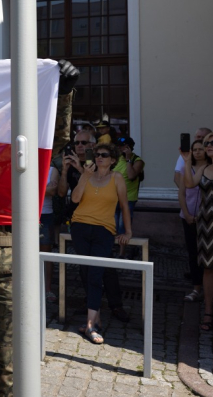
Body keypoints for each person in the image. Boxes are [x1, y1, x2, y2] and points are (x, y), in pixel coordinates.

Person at [0, 59, 78, 397]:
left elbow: (55, 137)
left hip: (9, 268)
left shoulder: (22, 154)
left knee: (6, 361)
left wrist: (63, 93)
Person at [57, 129, 130, 323]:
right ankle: (92, 306)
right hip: (79, 221)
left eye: (83, 143)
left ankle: (115, 305)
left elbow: (120, 202)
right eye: (76, 143)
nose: (79, 146)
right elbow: (65, 194)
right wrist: (67, 170)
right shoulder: (74, 165)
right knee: (86, 268)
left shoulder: (104, 172)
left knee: (106, 267)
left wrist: (127, 231)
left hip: (102, 223)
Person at [71, 143, 132, 344]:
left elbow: (124, 205)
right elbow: (75, 199)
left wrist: (127, 231)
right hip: (80, 226)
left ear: (113, 159)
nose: (99, 158)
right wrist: (84, 177)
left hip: (104, 229)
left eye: (104, 155)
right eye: (97, 155)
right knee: (86, 272)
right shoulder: (86, 174)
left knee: (96, 273)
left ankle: (90, 325)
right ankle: (93, 321)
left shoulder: (117, 178)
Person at [182, 132, 213, 331]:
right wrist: (187, 161)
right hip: (206, 225)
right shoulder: (204, 168)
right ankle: (208, 313)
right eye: (207, 143)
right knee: (209, 268)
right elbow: (189, 184)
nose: (208, 146)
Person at [179, 139, 208, 302]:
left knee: (209, 256)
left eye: (200, 149)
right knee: (193, 254)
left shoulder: (211, 169)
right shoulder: (186, 168)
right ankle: (196, 288)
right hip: (188, 216)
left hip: (207, 218)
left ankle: (210, 290)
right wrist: (187, 214)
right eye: (194, 149)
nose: (197, 152)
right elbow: (182, 193)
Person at [113, 136, 145, 256]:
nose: (120, 148)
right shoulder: (116, 160)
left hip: (128, 199)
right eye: (119, 146)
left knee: (123, 226)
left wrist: (128, 159)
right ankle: (114, 249)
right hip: (114, 198)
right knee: (114, 225)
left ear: (129, 147)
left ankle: (122, 253)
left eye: (123, 146)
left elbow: (131, 176)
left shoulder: (137, 160)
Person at [40, 165, 60, 303]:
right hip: (24, 214)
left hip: (45, 215)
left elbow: (52, 191)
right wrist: (43, 189)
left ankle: (47, 289)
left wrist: (26, 188)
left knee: (46, 252)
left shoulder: (52, 169)